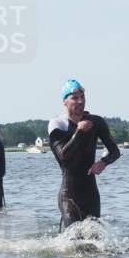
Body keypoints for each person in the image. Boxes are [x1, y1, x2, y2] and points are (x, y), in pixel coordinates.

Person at [48, 80, 120, 229]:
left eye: (82, 97)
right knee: (74, 240)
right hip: (69, 195)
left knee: (95, 242)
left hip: (91, 194)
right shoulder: (57, 123)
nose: (80, 101)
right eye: (75, 97)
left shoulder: (96, 122)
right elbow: (62, 155)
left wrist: (104, 162)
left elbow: (115, 151)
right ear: (64, 101)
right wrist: (79, 131)